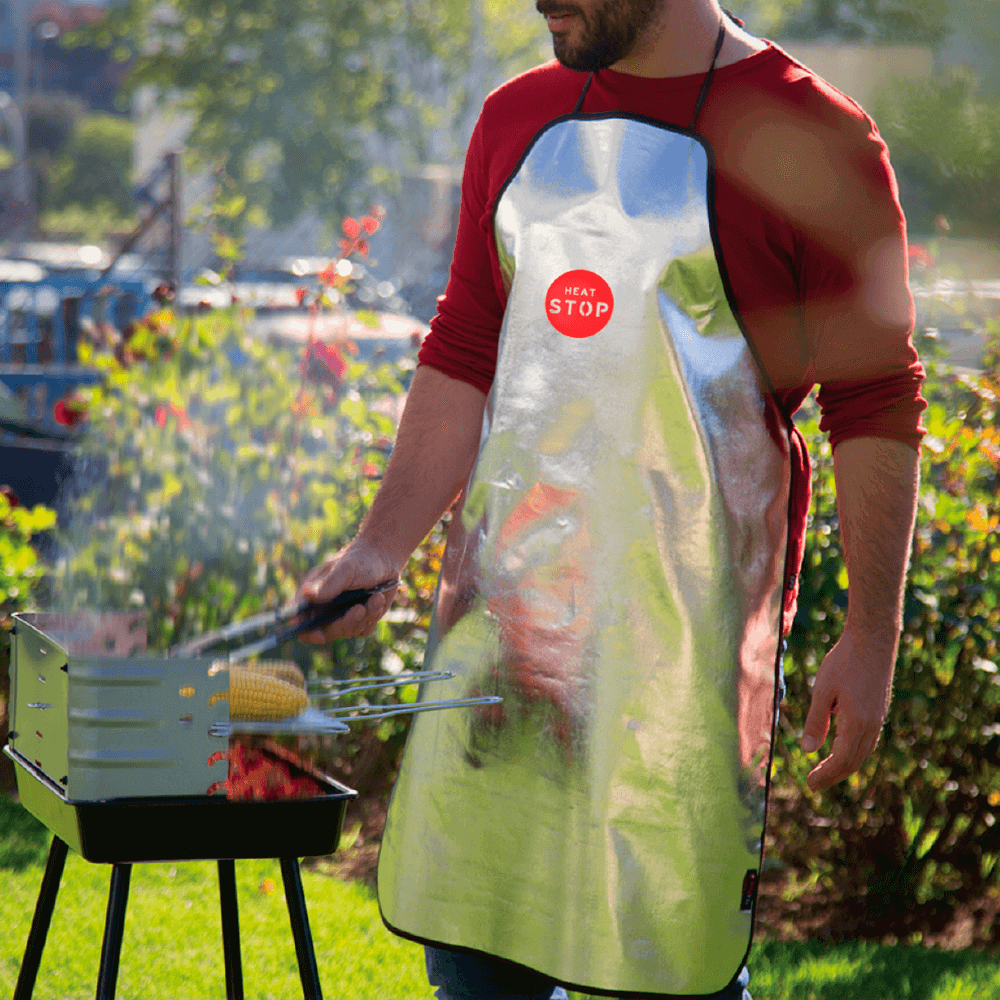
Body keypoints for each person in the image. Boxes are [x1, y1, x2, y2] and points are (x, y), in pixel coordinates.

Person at [298, 0, 925, 996]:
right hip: (504, 637)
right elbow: (467, 341)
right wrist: (383, 542)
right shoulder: (516, 116)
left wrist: (871, 632)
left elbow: (873, 399)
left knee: (671, 965)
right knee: (475, 948)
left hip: (681, 649)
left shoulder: (814, 136)